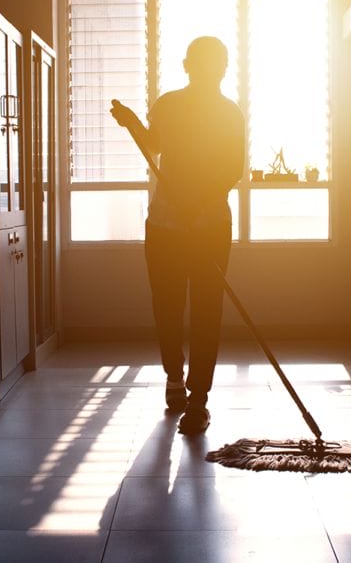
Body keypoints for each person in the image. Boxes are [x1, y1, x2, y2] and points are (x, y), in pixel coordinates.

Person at [109, 36, 244, 435]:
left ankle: (199, 401)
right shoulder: (168, 104)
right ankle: (174, 379)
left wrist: (201, 202)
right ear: (188, 66)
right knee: (167, 306)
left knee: (207, 311)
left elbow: (232, 167)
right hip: (165, 225)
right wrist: (133, 122)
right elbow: (155, 145)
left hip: (210, 226)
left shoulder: (229, 113)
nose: (207, 70)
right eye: (200, 63)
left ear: (223, 68)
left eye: (214, 63)